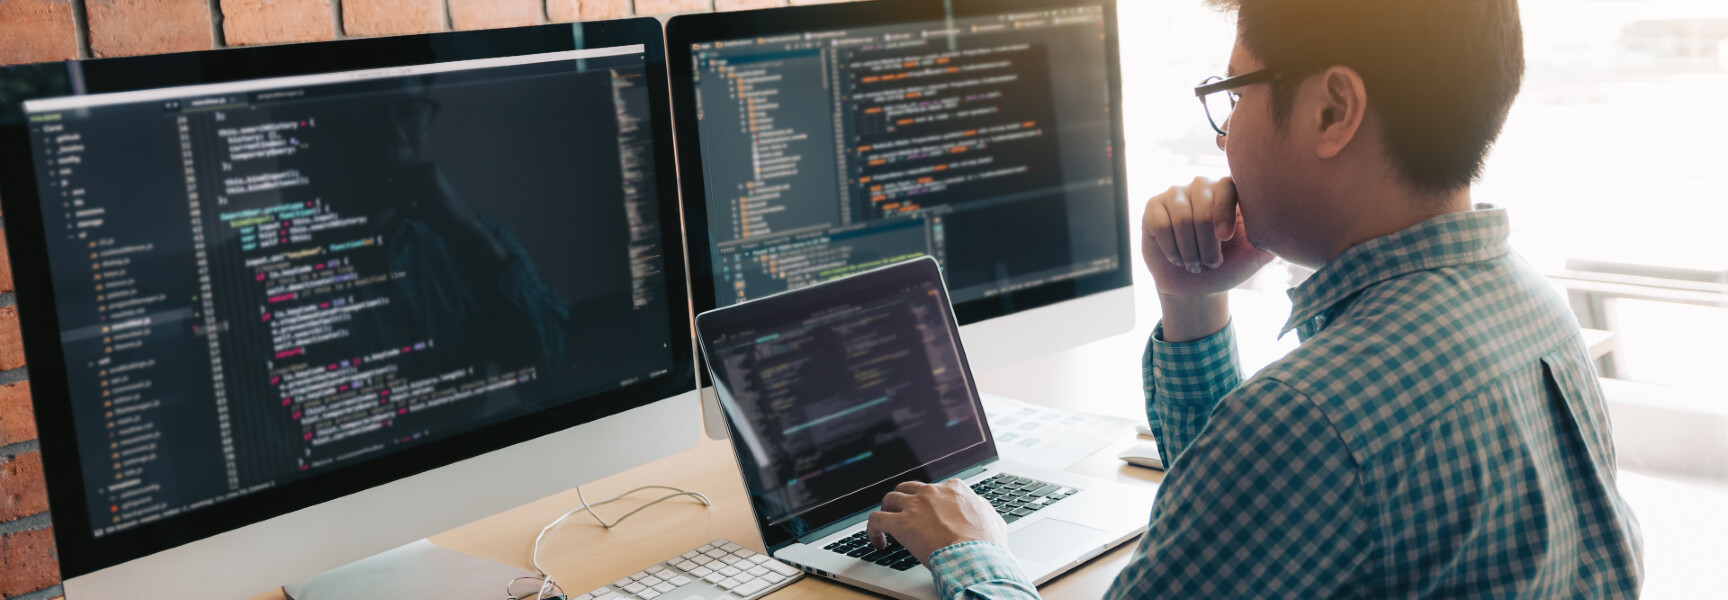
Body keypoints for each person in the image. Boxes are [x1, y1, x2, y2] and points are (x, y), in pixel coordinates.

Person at [864, 0, 1646, 597]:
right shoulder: (1534, 308)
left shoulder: (1313, 416)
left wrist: (972, 552)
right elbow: (1244, 515)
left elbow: (1274, 461)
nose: (1223, 136)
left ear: (1333, 110)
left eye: (1232, 94)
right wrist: (1193, 303)